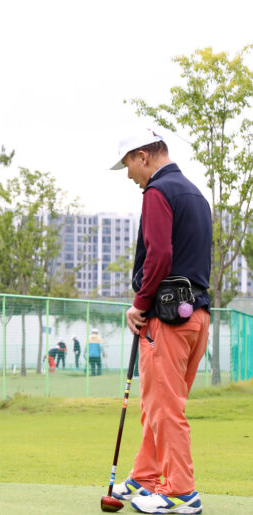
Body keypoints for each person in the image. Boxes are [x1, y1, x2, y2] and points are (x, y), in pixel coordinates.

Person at [108, 129, 211, 514]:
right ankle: (147, 476)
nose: (130, 175)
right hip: (196, 316)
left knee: (164, 408)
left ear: (143, 157)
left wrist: (138, 304)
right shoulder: (196, 194)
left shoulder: (157, 192)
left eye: (129, 166)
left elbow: (159, 256)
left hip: (167, 319)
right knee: (159, 404)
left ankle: (182, 492)